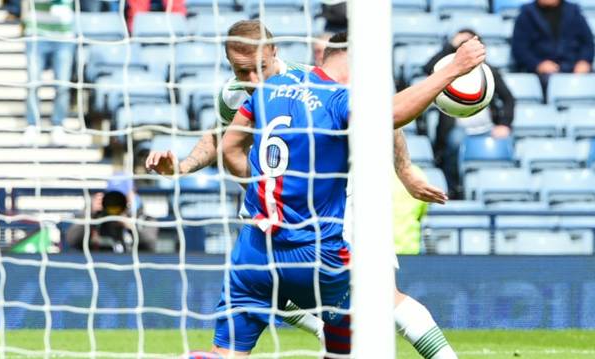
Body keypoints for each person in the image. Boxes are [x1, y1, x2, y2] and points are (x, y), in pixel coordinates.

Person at [146, 20, 447, 345]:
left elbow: (383, 117)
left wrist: (405, 172)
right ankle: (332, 335)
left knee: (381, 296)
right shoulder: (234, 94)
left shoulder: (313, 82)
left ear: (274, 53)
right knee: (270, 284)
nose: (252, 80)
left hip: (339, 202)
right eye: (240, 71)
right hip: (274, 216)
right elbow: (222, 140)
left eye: (258, 68)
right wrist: (182, 165)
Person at [201, 32, 485, 357]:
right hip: (314, 250)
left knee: (226, 354)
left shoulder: (268, 91)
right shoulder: (336, 98)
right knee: (374, 313)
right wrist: (450, 71)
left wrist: (266, 191)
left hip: (253, 247)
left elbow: (229, 148)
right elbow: (389, 115)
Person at [424, 29, 515, 198]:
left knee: (507, 143)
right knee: (454, 143)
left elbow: (509, 99)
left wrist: (504, 124)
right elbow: (427, 69)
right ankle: (455, 188)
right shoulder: (447, 72)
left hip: (487, 127)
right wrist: (451, 45)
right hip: (459, 130)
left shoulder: (488, 72)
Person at [22, 0, 76, 146]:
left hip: (64, 35)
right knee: (33, 83)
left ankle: (58, 125)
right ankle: (32, 125)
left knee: (63, 86)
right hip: (36, 33)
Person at [512, 0, 594, 94]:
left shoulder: (574, 12)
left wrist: (584, 61)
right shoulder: (526, 14)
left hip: (574, 68)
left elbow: (588, 43)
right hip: (542, 74)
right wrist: (538, 65)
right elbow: (519, 49)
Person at [65, 176, 157, 252]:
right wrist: (91, 214)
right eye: (113, 197)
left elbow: (149, 245)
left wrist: (130, 227)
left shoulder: (144, 219)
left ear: (132, 194)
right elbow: (73, 241)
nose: (117, 202)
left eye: (122, 196)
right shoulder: (97, 218)